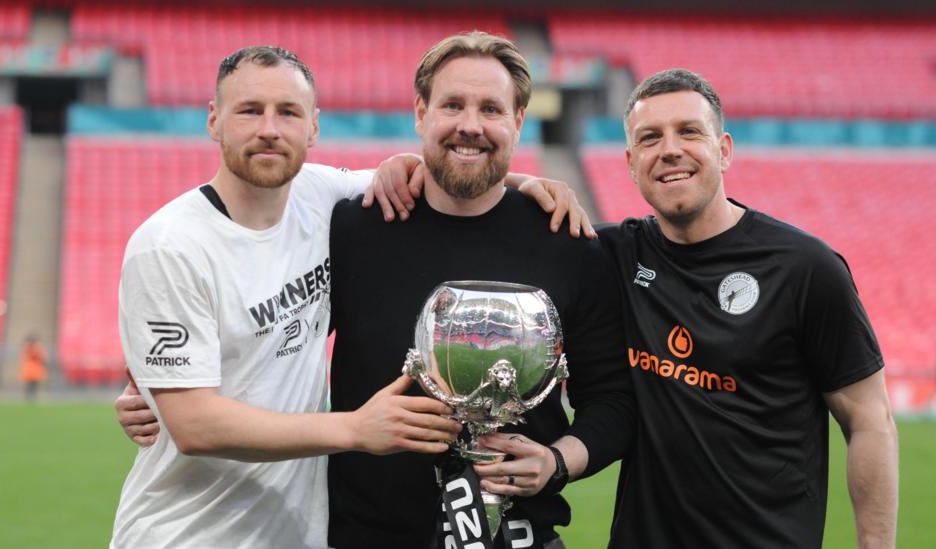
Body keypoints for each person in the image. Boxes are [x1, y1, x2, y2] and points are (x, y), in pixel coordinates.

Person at [111, 44, 589, 548]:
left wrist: (528, 183)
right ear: (214, 119)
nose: (269, 129)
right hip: (186, 532)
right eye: (249, 110)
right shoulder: (170, 245)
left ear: (313, 127)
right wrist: (357, 429)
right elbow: (194, 426)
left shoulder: (320, 196)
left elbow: (448, 174)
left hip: (296, 533)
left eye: (288, 112)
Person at [326, 32, 634, 549]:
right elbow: (279, 349)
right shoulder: (351, 231)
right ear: (421, 113)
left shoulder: (569, 242)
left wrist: (556, 461)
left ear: (518, 121)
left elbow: (613, 401)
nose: (470, 124)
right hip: (368, 537)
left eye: (491, 108)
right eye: (452, 105)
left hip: (522, 537)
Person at [594, 68, 899, 548]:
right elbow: (506, 214)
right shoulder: (614, 255)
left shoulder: (804, 268)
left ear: (724, 150)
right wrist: (534, 184)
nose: (669, 149)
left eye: (689, 131)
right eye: (650, 137)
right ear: (631, 163)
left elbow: (869, 420)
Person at [18, 334, 47, 401]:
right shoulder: (28, 348)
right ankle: (29, 398)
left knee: (34, 385)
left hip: (34, 370)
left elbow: (43, 358)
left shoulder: (37, 348)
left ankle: (32, 398)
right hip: (30, 370)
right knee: (29, 385)